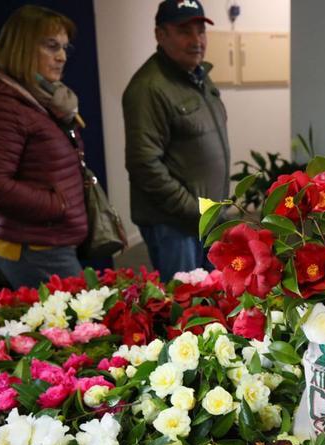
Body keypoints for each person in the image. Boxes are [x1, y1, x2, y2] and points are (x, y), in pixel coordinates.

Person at [0, 5, 87, 289]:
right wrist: (58, 203)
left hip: (48, 239)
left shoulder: (35, 96)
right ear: (21, 47)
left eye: (65, 47)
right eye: (51, 46)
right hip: (35, 247)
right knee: (82, 327)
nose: (62, 56)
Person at [122, 0, 230, 282]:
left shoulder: (198, 77)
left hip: (204, 220)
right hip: (175, 227)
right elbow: (144, 165)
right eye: (184, 31)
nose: (196, 41)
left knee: (212, 301)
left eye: (200, 31)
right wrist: (195, 210)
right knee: (186, 309)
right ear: (160, 35)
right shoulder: (149, 88)